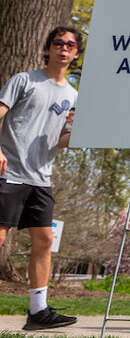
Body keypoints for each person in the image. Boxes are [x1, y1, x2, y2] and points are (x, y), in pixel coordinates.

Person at [0, 26, 82, 330]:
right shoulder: (24, 80)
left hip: (41, 178)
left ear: (75, 54)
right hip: (9, 172)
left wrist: (76, 133)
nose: (63, 48)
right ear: (47, 48)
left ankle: (38, 311)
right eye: (58, 43)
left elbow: (61, 140)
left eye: (70, 45)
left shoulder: (73, 96)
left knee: (45, 240)